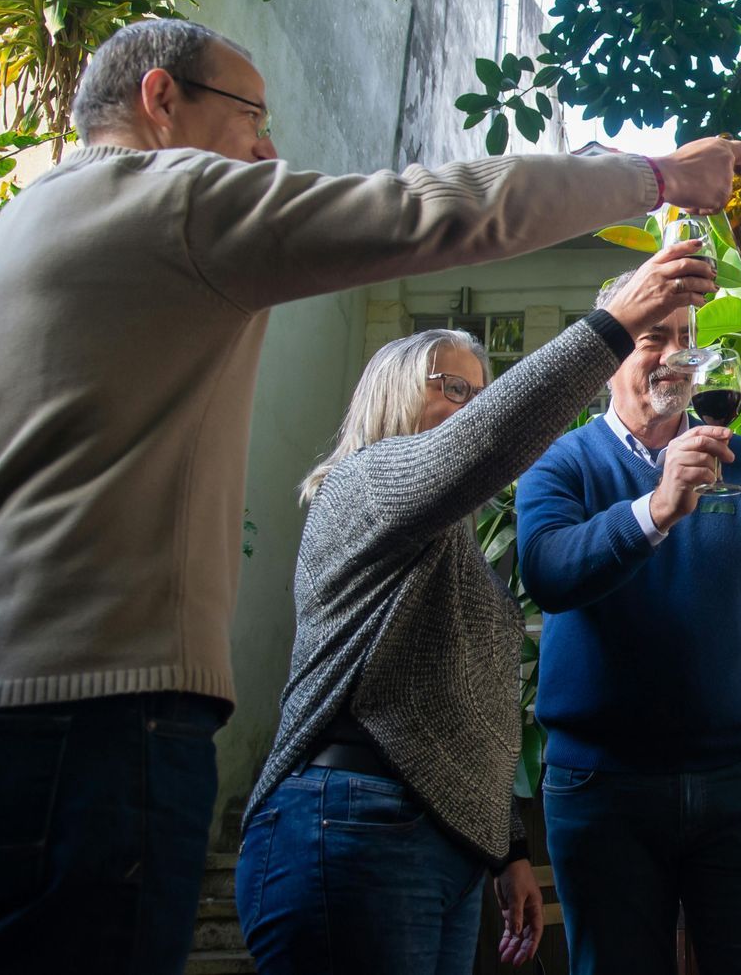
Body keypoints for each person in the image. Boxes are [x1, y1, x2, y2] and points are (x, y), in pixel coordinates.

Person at [0, 16, 741, 973]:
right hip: (92, 732)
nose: (267, 150)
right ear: (161, 100)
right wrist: (659, 178)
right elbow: (427, 208)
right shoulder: (173, 199)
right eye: (250, 116)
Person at [236, 240, 711, 975]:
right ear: (391, 394)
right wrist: (616, 322)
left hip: (438, 842)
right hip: (349, 820)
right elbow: (491, 444)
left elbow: (464, 708)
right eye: (453, 388)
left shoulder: (451, 542)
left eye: (480, 390)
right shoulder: (364, 482)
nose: (474, 405)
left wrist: (507, 849)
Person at [513, 282, 741, 975]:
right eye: (651, 337)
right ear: (605, 353)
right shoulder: (559, 464)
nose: (675, 355)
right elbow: (547, 572)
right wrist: (655, 510)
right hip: (603, 792)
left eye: (686, 337)